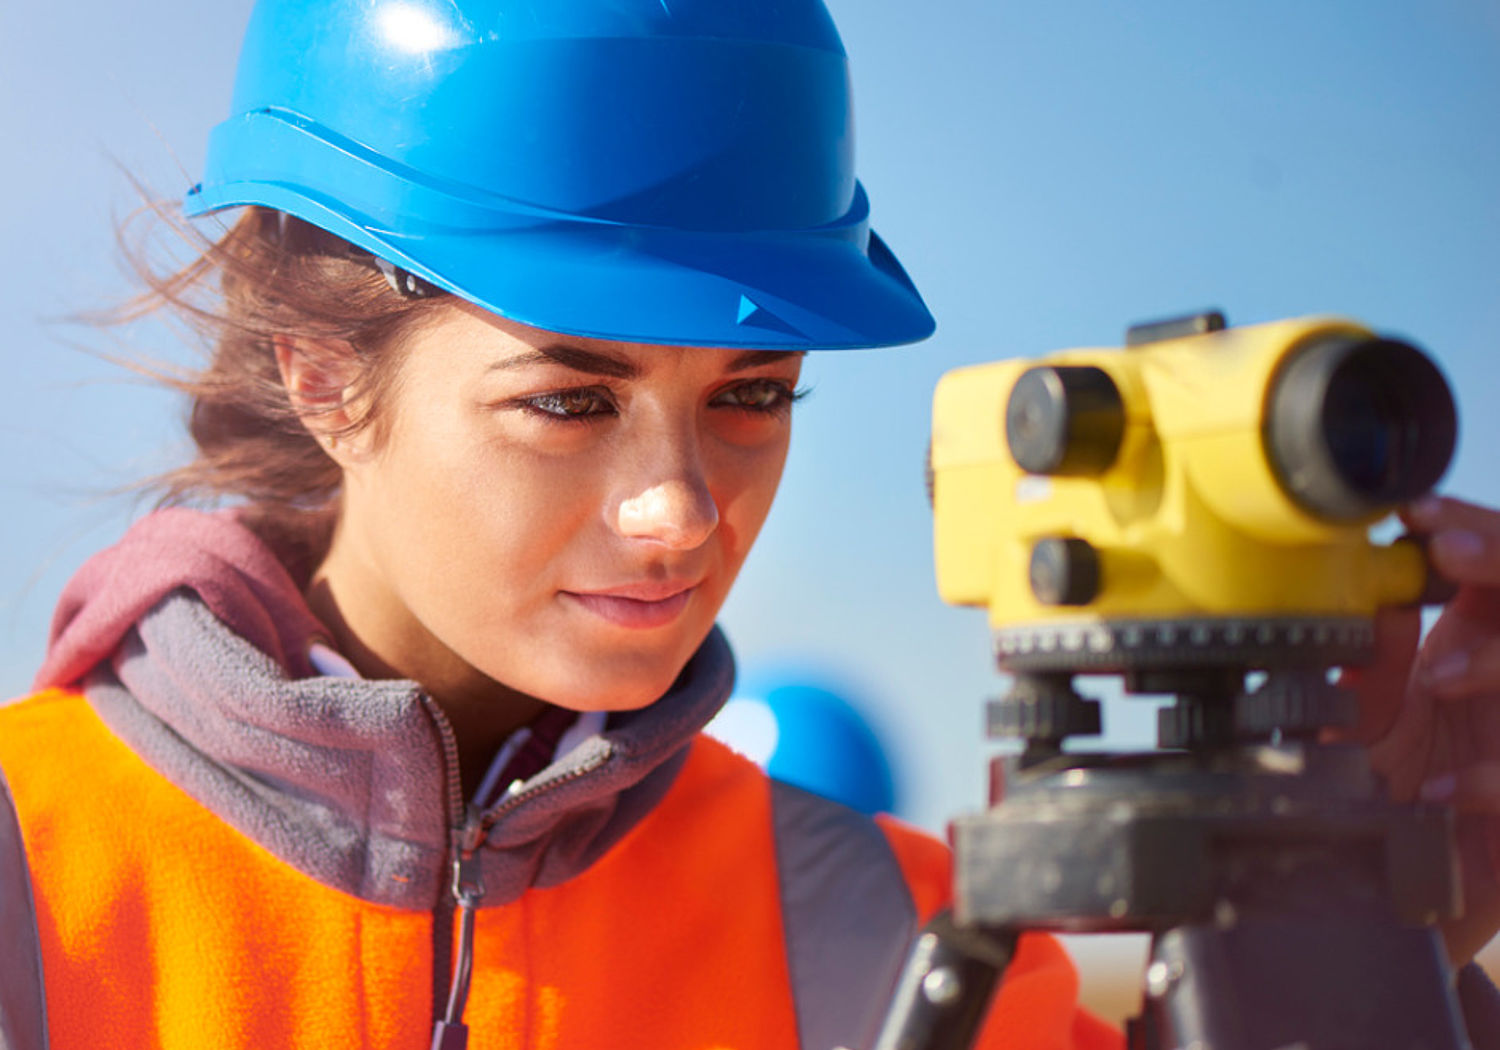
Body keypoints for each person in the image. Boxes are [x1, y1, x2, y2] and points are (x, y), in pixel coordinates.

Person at [0, 2, 1496, 1049]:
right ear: (322, 373)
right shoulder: (26, 861)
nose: (680, 512)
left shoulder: (881, 928)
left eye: (754, 395)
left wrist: (1359, 943)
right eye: (570, 401)